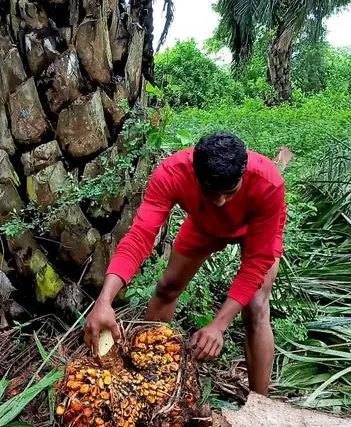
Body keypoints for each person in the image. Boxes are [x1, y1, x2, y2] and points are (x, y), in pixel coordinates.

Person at [84, 132, 288, 396]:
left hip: (256, 229)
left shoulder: (267, 183)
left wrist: (218, 326)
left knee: (256, 305)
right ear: (194, 172)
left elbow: (256, 264)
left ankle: (260, 406)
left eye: (229, 193)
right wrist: (104, 300)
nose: (220, 202)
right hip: (204, 225)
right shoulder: (172, 173)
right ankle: (150, 379)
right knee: (168, 287)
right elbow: (138, 238)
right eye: (210, 192)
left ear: (242, 175)